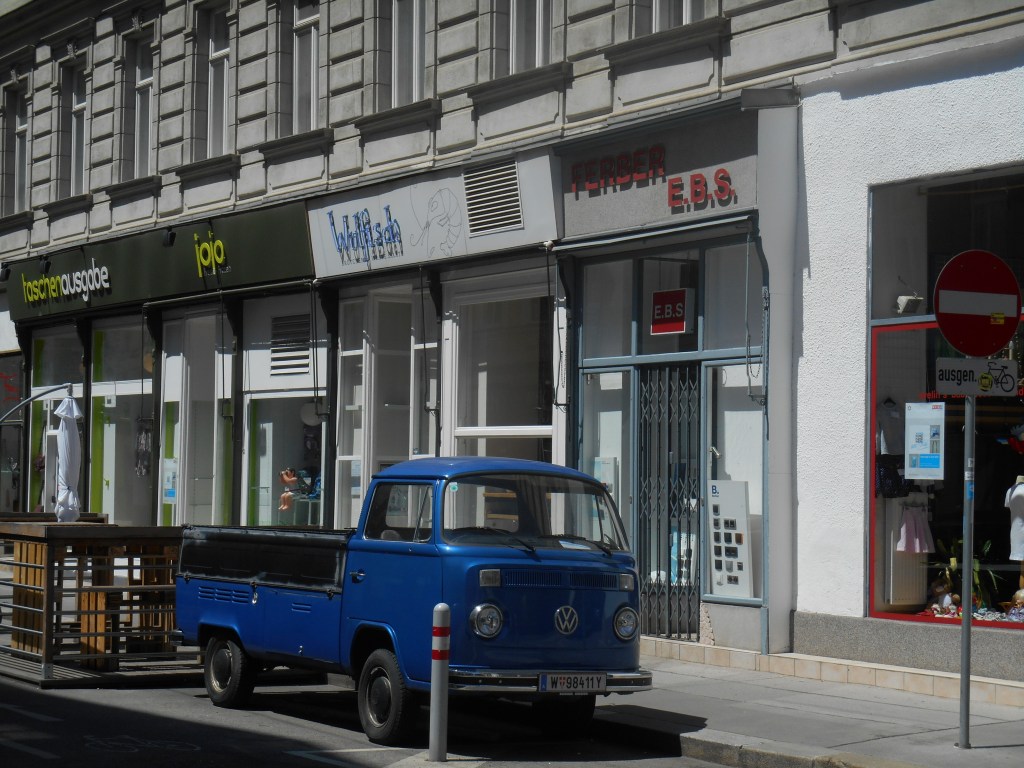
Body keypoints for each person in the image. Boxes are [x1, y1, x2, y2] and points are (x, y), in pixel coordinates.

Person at [1005, 475, 1024, 589]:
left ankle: (1022, 597)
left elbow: (1008, 506)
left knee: (1022, 571)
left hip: (1017, 533)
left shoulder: (1010, 491)